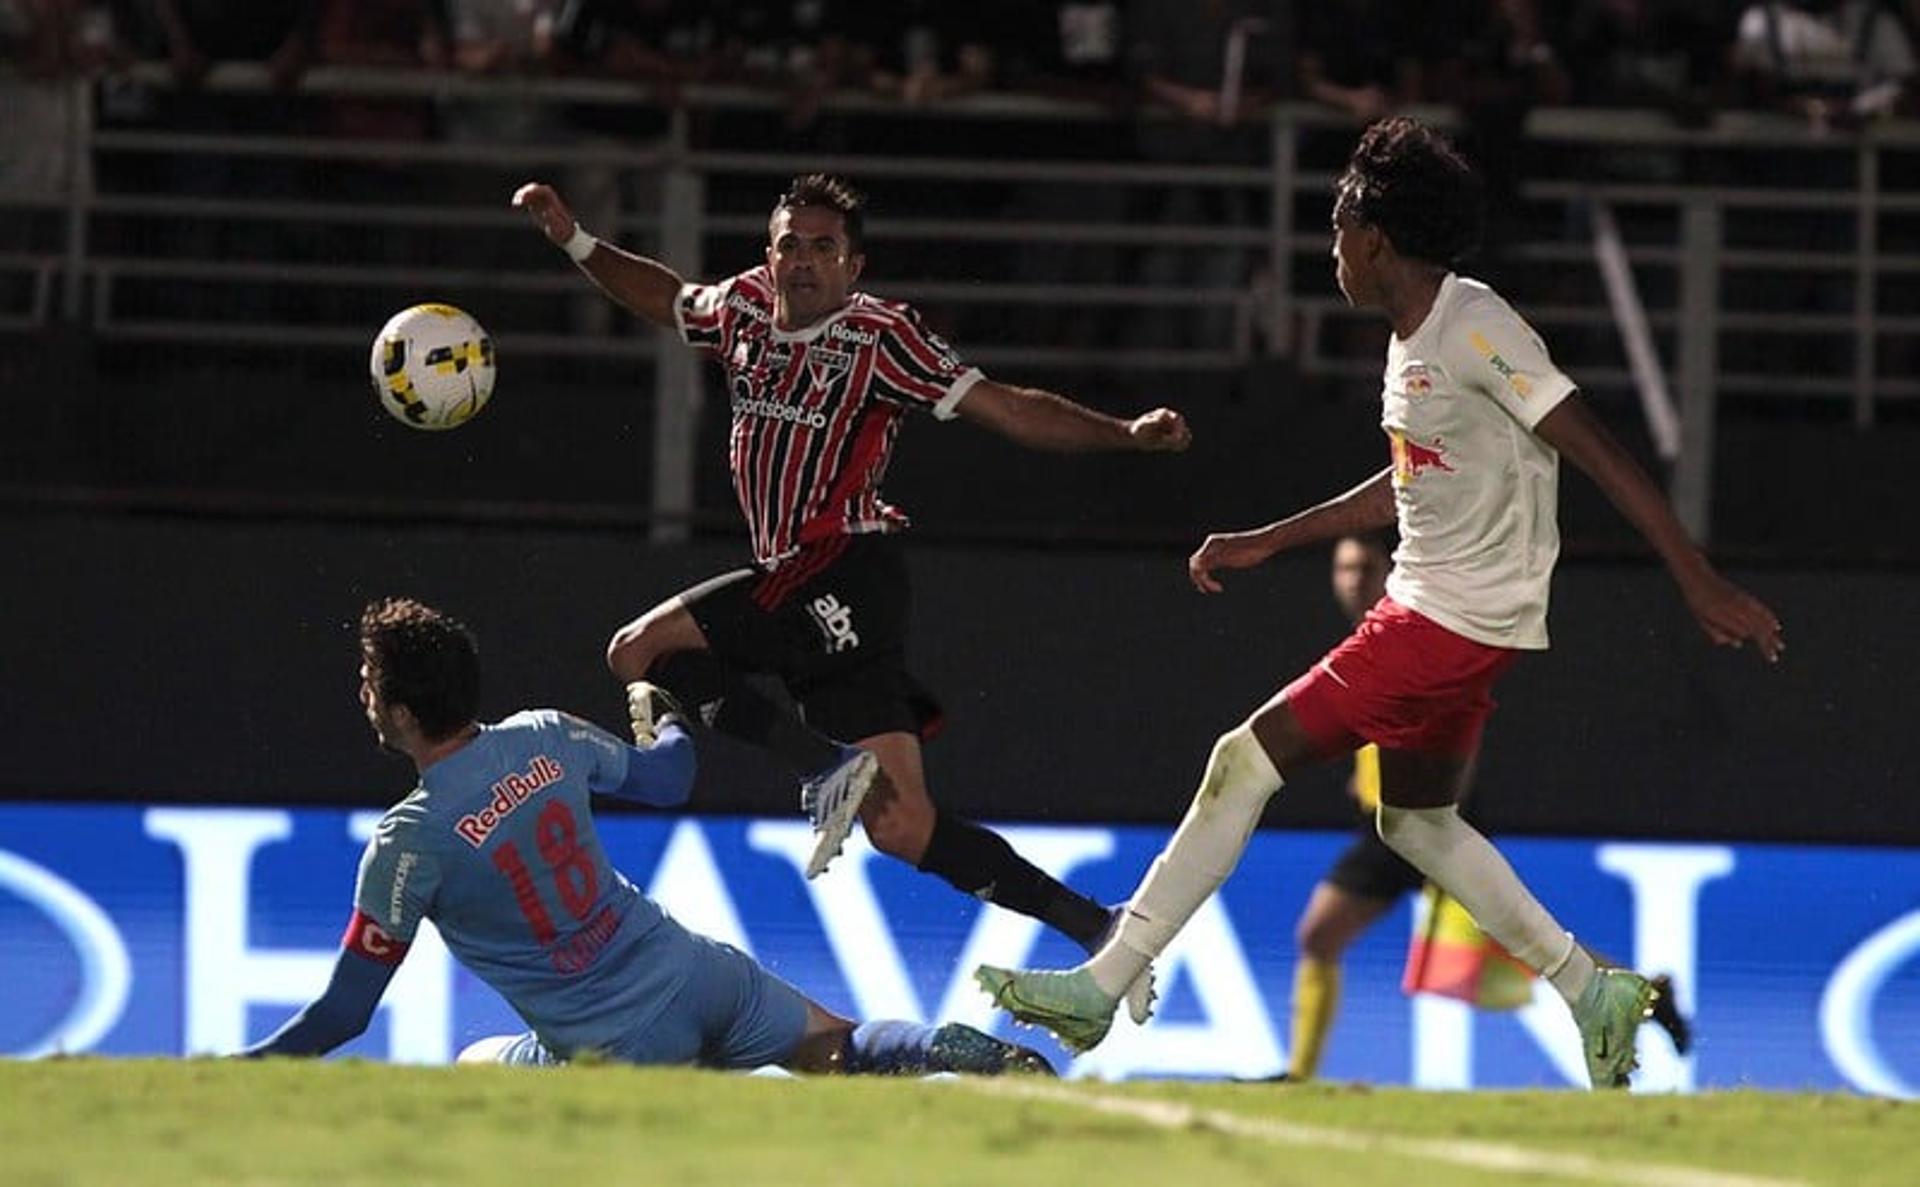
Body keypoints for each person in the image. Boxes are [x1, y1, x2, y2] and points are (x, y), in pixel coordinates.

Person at [976, 117, 1782, 1090]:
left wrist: (1696, 576)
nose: (1330, 250)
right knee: (1418, 823)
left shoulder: (1476, 322)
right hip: (1448, 608)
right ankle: (1593, 988)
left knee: (1245, 757)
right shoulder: (1414, 343)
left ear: (1375, 238)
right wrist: (1271, 537)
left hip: (1447, 617)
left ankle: (1104, 982)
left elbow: (1597, 445)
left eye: (1336, 229)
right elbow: (1408, 482)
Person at [510, 173, 1189, 1023]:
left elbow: (1007, 407)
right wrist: (575, 241)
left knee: (636, 651)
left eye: (823, 248)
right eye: (789, 243)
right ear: (769, 251)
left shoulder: (882, 336)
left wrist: (1122, 434)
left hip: (841, 567)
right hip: (817, 591)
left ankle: (822, 768)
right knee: (903, 827)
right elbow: (667, 297)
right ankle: (1099, 928)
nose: (802, 263)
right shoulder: (745, 309)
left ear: (853, 265)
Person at [241, 596, 1054, 1078]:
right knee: (836, 1045)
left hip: (614, 1042)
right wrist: (665, 722)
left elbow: (345, 1014)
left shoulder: (408, 843)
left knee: (472, 1074)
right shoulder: (546, 736)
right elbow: (667, 780)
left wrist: (240, 1068)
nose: (363, 694)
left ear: (405, 714)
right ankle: (941, 1045)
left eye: (370, 685)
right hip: (691, 967)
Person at [1277, 534, 1692, 1082]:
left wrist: (1445, 800)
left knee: (1519, 942)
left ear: (1391, 569)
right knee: (1331, 936)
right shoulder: (1373, 636)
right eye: (1343, 568)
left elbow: (1455, 715)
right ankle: (1645, 994)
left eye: (1365, 566)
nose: (1353, 579)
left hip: (1425, 818)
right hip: (1387, 825)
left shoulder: (1414, 629)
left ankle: (1299, 1077)